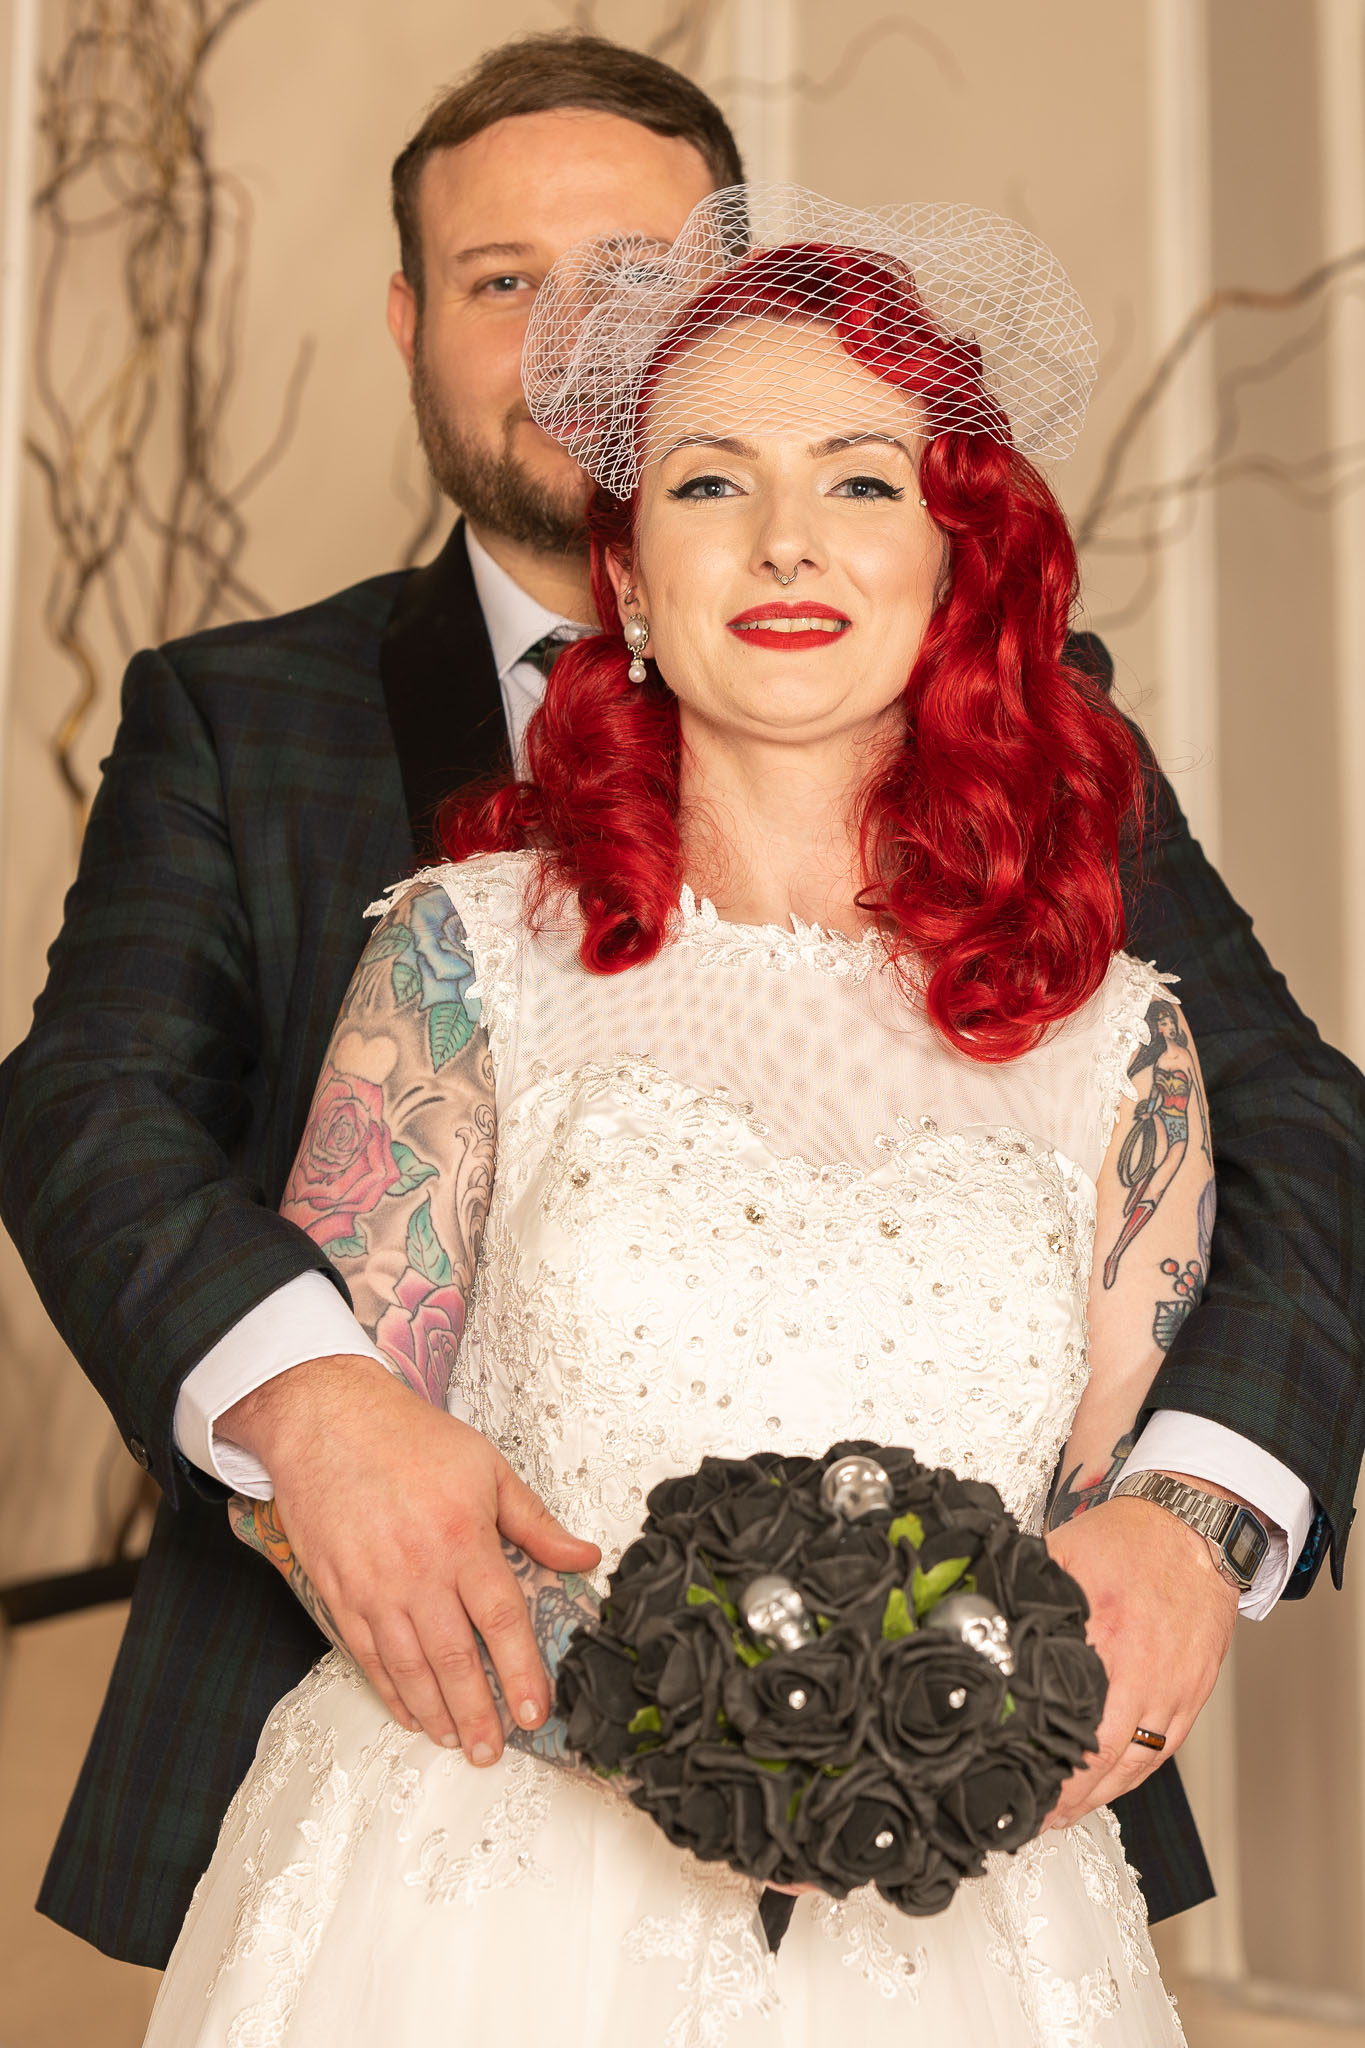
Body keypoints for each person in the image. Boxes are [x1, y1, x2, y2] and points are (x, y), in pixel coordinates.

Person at [0, 31, 1359, 1979]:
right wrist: (312, 1406)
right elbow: (89, 1104)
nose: (577, 340)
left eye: (634, 285)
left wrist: (1192, 1509)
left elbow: (1293, 1123)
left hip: (968, 1825)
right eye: (503, 280)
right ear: (408, 323)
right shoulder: (248, 723)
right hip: (440, 1804)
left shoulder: (1038, 745)